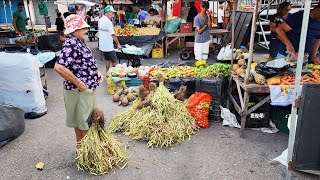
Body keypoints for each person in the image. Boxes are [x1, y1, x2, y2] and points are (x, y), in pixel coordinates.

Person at [54, 14, 103, 145]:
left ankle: (82, 149)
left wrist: (95, 72)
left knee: (82, 121)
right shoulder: (71, 44)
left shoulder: (79, 41)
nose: (86, 30)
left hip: (85, 89)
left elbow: (81, 63)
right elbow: (59, 67)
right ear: (75, 29)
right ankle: (84, 151)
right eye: (83, 28)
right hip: (79, 91)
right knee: (84, 123)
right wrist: (79, 83)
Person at [98, 5, 122, 75]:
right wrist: (118, 44)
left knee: (107, 60)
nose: (113, 15)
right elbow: (113, 34)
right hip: (109, 46)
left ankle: (107, 75)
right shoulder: (108, 22)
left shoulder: (100, 20)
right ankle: (116, 76)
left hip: (103, 45)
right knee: (115, 62)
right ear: (107, 12)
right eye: (112, 13)